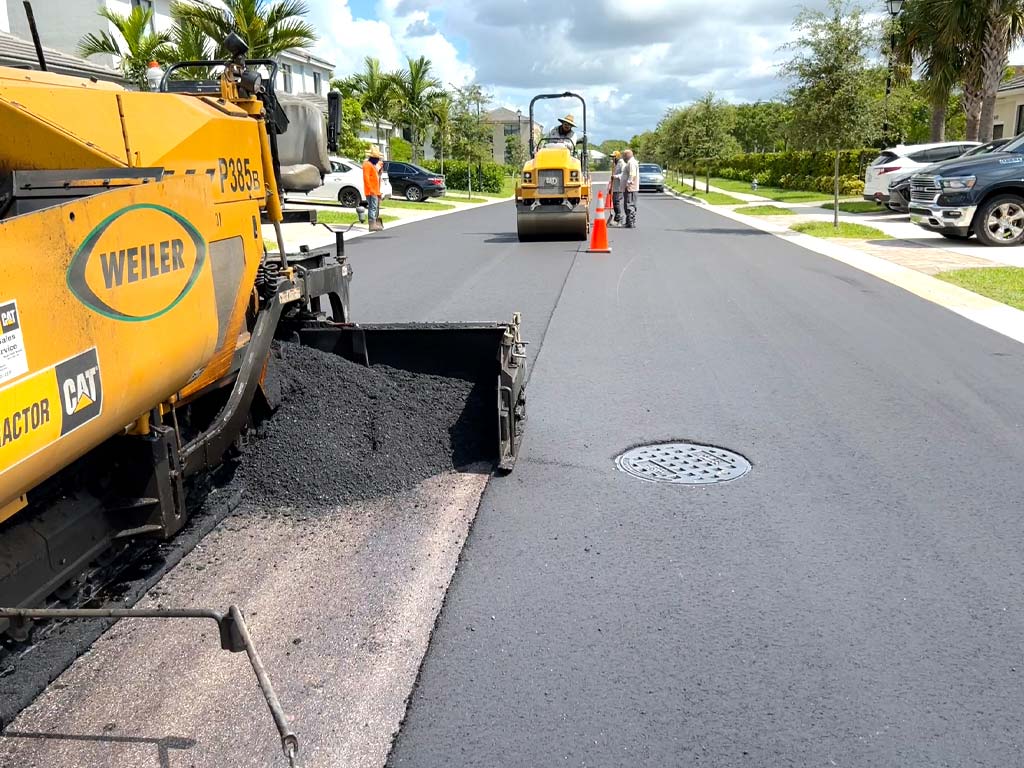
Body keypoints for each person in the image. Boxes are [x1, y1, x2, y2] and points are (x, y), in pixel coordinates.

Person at [362, 147, 384, 232]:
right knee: (373, 207)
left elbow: (376, 177)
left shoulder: (373, 165)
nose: (378, 159)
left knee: (375, 207)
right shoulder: (367, 165)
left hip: (375, 190)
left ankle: (374, 222)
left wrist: (380, 170)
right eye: (377, 158)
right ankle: (372, 224)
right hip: (371, 191)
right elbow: (366, 178)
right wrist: (371, 189)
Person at [607, 150, 625, 226]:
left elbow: (623, 174)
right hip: (614, 186)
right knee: (614, 203)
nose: (612, 159)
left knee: (616, 202)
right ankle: (616, 218)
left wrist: (615, 176)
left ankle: (619, 218)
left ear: (617, 157)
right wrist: (610, 187)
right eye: (612, 157)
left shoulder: (622, 164)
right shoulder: (615, 164)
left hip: (619, 187)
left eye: (613, 157)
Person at [622, 148, 640, 228]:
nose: (623, 158)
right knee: (628, 204)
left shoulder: (631, 163)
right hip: (630, 187)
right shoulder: (631, 162)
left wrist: (629, 183)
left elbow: (632, 174)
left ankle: (631, 222)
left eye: (623, 156)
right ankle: (629, 221)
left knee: (630, 204)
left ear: (627, 156)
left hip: (631, 187)